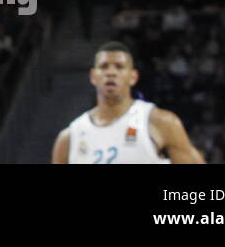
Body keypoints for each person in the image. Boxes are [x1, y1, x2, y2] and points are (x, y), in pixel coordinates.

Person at [52, 41, 204, 164]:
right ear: (93, 76)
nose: (111, 73)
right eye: (104, 67)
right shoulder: (70, 138)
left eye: (119, 67)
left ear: (133, 77)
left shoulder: (160, 122)